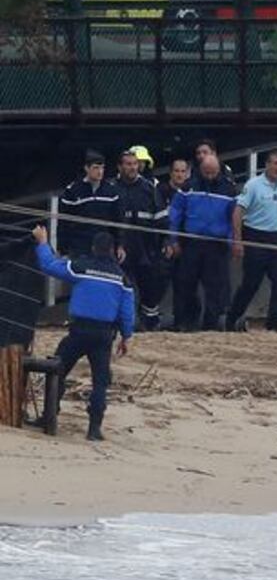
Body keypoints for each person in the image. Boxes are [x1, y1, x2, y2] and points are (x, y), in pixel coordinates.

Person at [31, 225, 134, 442]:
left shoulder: (81, 267)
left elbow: (49, 265)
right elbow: (127, 312)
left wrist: (42, 243)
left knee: (57, 370)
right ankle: (94, 429)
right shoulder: (122, 278)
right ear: (114, 251)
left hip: (79, 331)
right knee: (100, 382)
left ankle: (49, 417)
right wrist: (126, 336)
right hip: (105, 335)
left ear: (94, 248)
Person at [226, 150, 277, 333]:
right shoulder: (254, 185)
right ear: (267, 165)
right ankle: (231, 319)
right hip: (255, 235)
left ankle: (273, 326)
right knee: (250, 284)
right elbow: (238, 212)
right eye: (275, 163)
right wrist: (238, 241)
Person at [167, 155, 238, 331]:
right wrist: (173, 239)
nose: (210, 175)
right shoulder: (188, 187)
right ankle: (187, 321)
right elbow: (175, 213)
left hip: (217, 243)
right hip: (192, 242)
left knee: (215, 287)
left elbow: (234, 217)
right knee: (186, 284)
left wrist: (233, 241)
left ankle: (211, 324)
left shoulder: (229, 189)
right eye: (207, 172)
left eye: (213, 172)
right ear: (201, 170)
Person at [113, 150, 168, 331]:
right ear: (120, 167)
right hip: (121, 247)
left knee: (151, 286)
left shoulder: (149, 188)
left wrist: (166, 241)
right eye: (128, 164)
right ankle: (126, 322)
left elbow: (161, 218)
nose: (132, 167)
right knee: (123, 286)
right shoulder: (112, 188)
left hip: (146, 247)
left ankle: (150, 321)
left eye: (134, 164)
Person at [59, 151, 123, 259]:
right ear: (86, 168)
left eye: (102, 168)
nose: (100, 172)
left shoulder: (111, 191)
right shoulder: (73, 191)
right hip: (80, 247)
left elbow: (117, 221)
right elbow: (64, 223)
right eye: (96, 168)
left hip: (104, 247)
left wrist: (120, 245)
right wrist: (62, 249)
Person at [158, 158, 193, 329]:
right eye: (176, 171)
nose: (179, 175)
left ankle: (182, 322)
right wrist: (168, 242)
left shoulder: (191, 192)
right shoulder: (160, 191)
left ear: (187, 173)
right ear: (170, 173)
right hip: (163, 246)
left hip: (187, 246)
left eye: (182, 171)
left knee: (184, 285)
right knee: (158, 285)